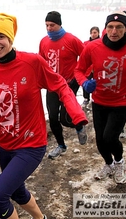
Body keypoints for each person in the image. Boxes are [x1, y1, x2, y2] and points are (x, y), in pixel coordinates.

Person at [0, 13, 87, 219]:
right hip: (7, 144)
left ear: (10, 39)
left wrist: (77, 115)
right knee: (17, 191)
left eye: (1, 37)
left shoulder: (32, 62)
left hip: (31, 144)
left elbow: (61, 85)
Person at [74, 11, 126, 184]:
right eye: (110, 27)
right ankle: (109, 164)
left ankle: (120, 163)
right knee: (100, 140)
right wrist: (85, 83)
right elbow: (78, 70)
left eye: (119, 27)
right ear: (105, 28)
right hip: (99, 100)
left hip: (122, 101)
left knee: (110, 137)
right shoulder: (93, 47)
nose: (114, 31)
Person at [38, 11, 87, 160]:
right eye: (46, 25)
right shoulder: (44, 41)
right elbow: (40, 62)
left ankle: (79, 126)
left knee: (65, 118)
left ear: (59, 24)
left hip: (69, 83)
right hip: (52, 84)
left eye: (52, 25)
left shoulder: (71, 40)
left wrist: (79, 76)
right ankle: (61, 146)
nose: (49, 28)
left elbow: (86, 57)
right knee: (52, 117)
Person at [82, 26, 100, 108]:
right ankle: (86, 98)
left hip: (98, 67)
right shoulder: (86, 43)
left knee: (98, 83)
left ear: (98, 33)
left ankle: (96, 98)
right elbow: (82, 55)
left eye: (95, 33)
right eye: (92, 33)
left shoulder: (102, 42)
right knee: (86, 82)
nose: (93, 34)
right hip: (88, 67)